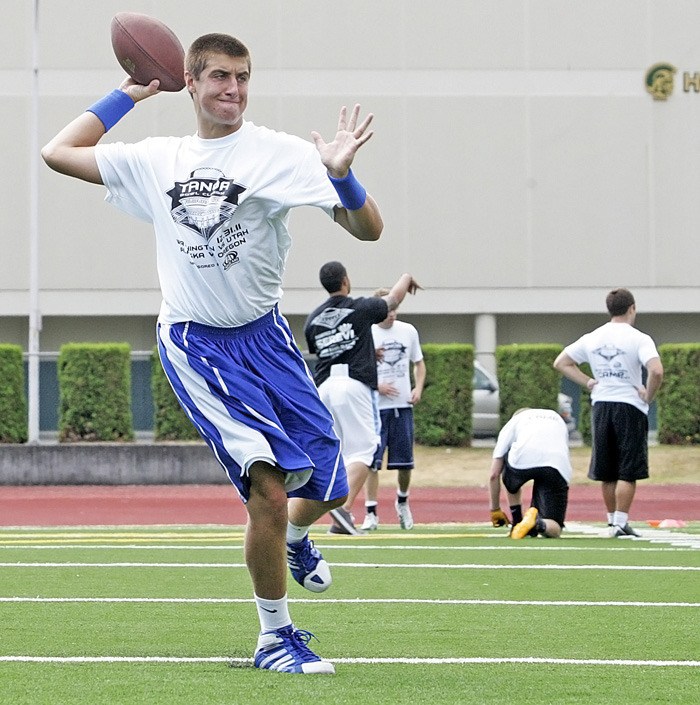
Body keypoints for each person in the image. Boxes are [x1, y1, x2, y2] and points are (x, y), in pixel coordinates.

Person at [41, 33, 385, 675]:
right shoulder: (157, 159)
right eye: (220, 77)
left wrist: (343, 176)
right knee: (270, 491)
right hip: (198, 343)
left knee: (333, 485)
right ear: (191, 83)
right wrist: (129, 93)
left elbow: (369, 230)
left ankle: (300, 539)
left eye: (243, 77)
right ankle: (274, 637)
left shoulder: (279, 153)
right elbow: (57, 152)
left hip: (268, 337)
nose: (233, 89)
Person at [304, 263, 421, 535]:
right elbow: (393, 299)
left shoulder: (313, 318)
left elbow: (335, 347)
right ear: (346, 280)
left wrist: (369, 353)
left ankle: (339, 519)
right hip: (353, 387)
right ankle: (342, 509)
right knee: (367, 449)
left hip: (324, 388)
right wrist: (405, 277)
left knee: (344, 451)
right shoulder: (358, 307)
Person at [553, 288, 663, 538]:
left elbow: (561, 362)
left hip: (602, 405)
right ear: (632, 308)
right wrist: (648, 394)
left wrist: (589, 381)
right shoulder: (639, 338)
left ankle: (612, 521)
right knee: (628, 468)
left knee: (607, 467)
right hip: (629, 405)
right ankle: (621, 522)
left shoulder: (593, 337)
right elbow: (656, 370)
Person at [361, 288, 426, 531]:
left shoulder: (408, 331)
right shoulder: (366, 333)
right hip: (376, 408)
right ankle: (371, 512)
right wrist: (376, 385)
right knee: (372, 462)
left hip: (402, 407)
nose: (392, 315)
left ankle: (402, 501)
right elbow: (357, 368)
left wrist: (417, 388)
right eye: (387, 310)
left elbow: (419, 364)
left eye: (394, 309)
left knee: (405, 463)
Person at [489, 408, 573, 539]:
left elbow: (494, 474)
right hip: (556, 464)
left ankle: (517, 521)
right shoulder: (556, 417)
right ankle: (537, 524)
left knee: (508, 458)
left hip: (522, 462)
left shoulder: (514, 421)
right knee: (555, 528)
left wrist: (495, 509)